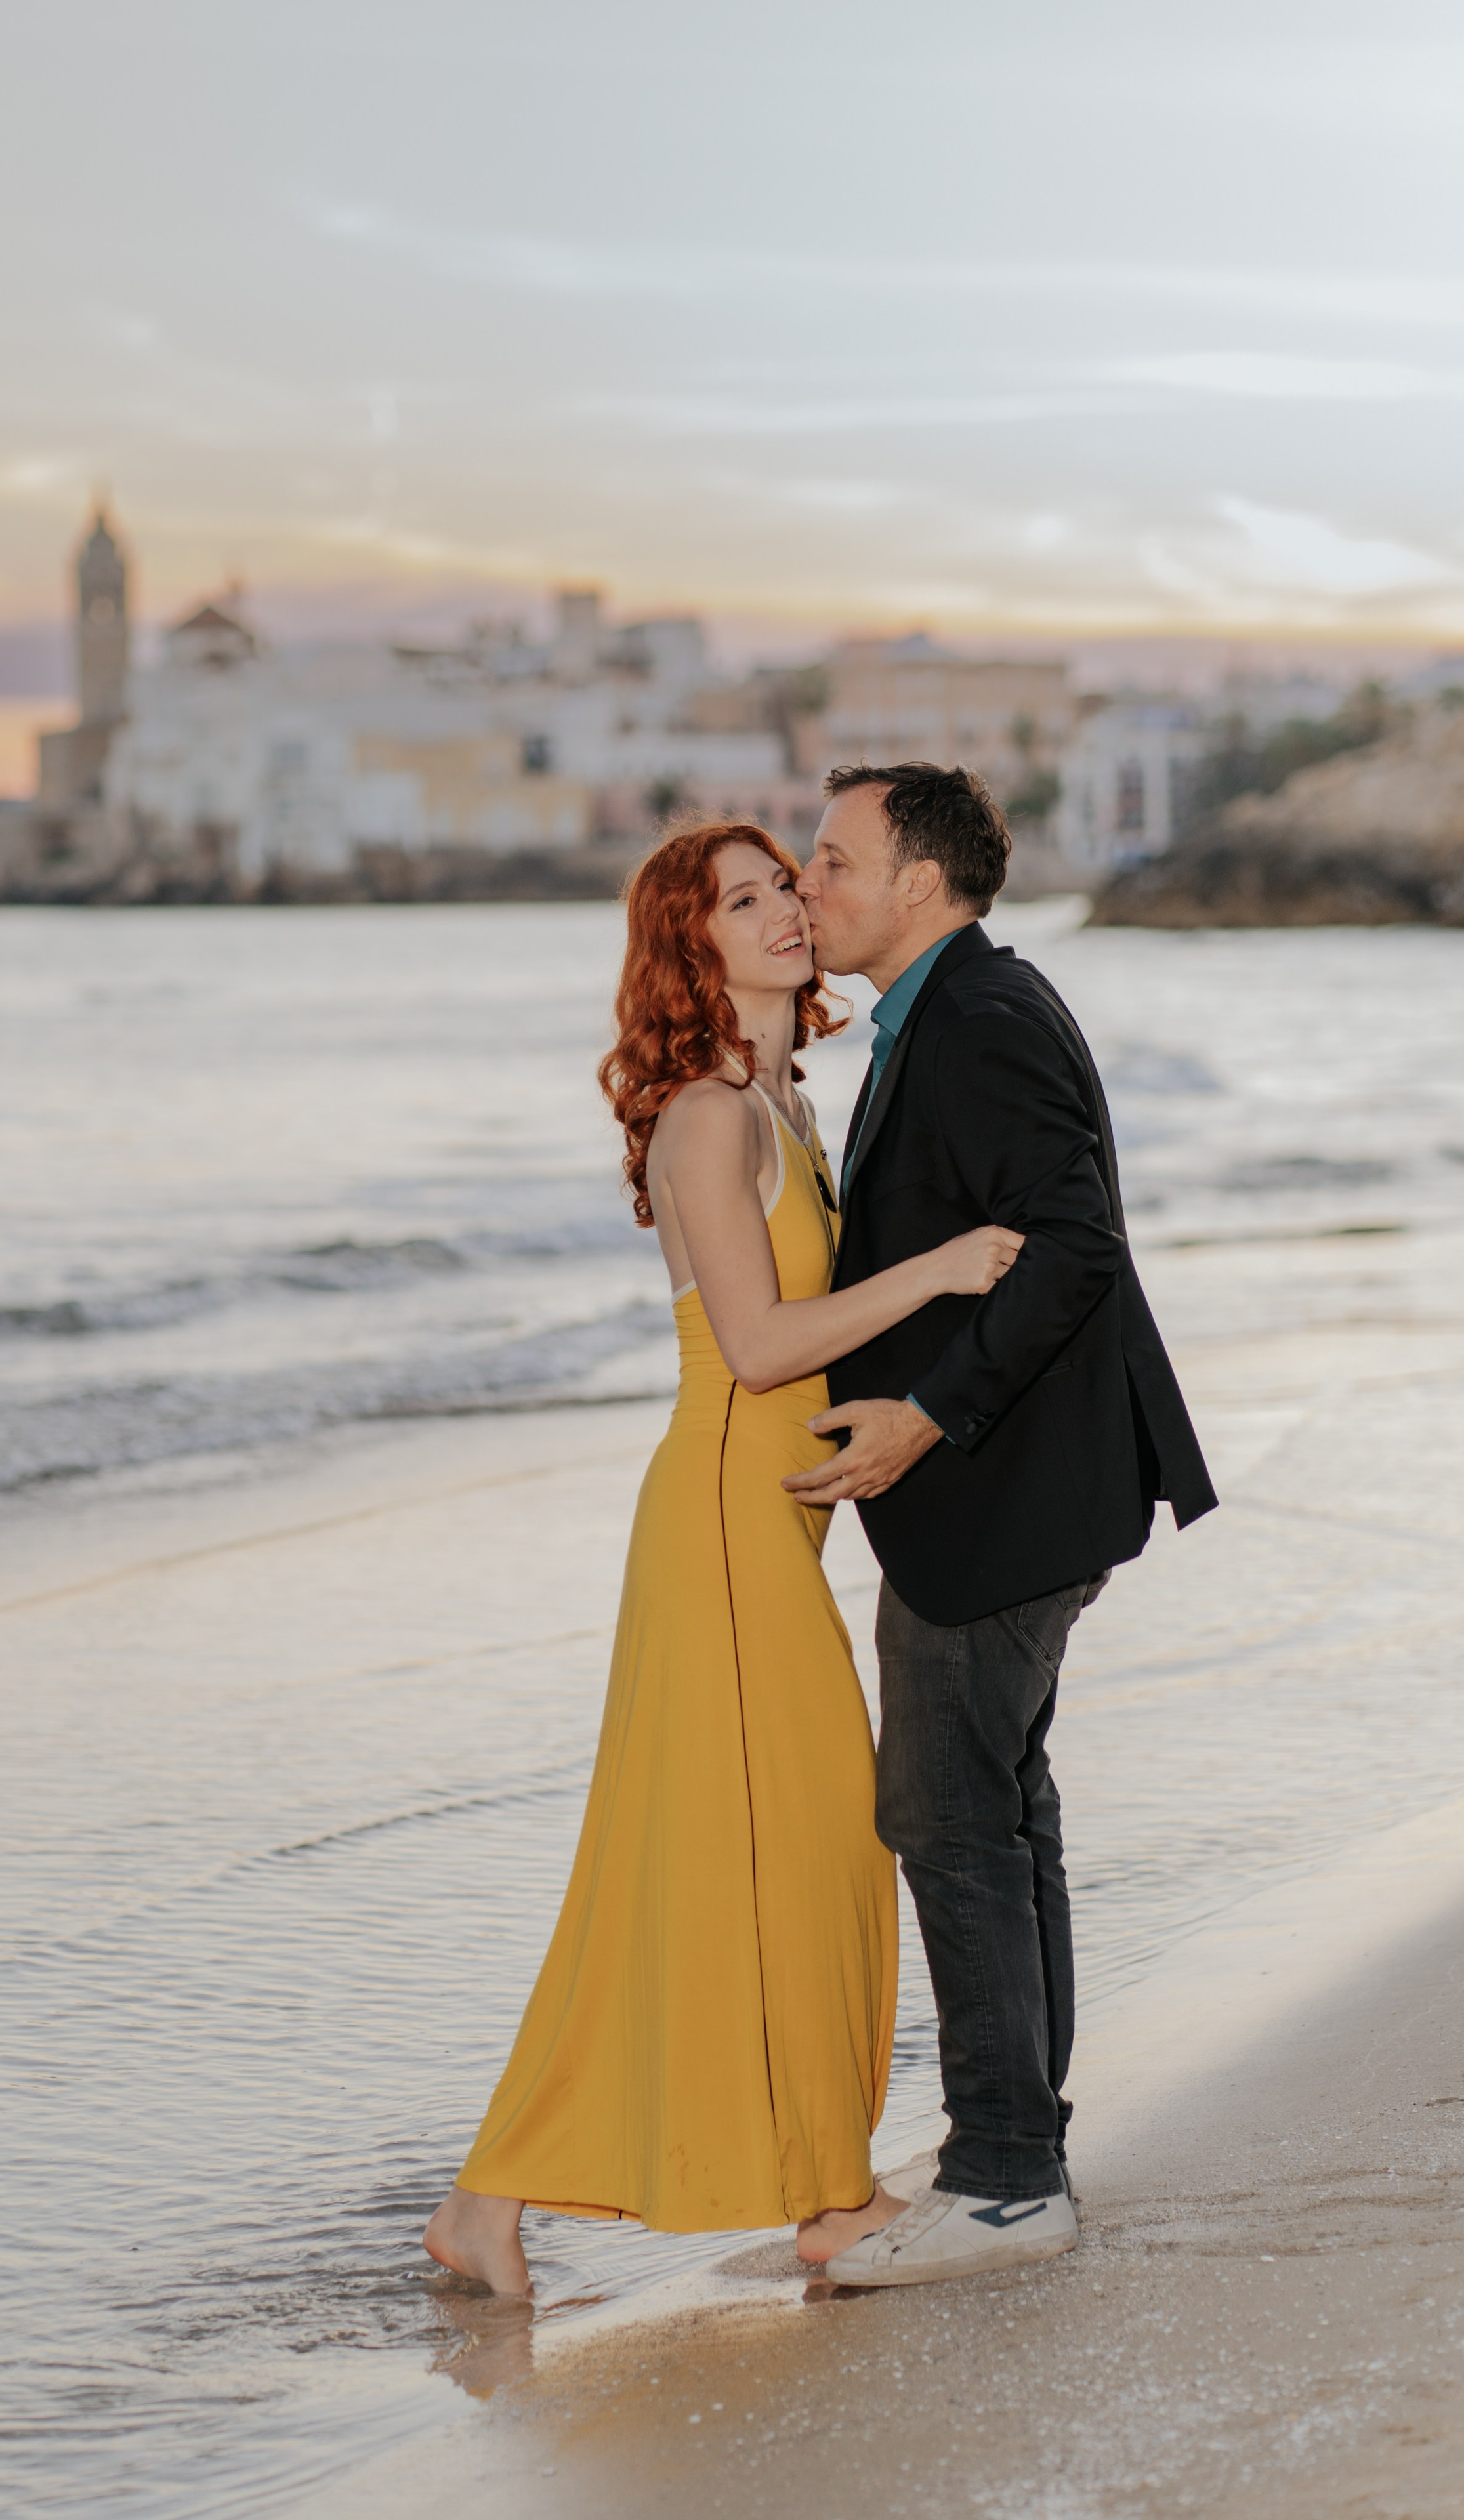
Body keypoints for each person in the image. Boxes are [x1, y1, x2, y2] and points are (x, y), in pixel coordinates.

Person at [422, 821, 1024, 2296]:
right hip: (716, 1534)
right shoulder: (708, 1117)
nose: (782, 913)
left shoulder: (789, 1106)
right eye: (740, 901)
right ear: (688, 947)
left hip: (769, 1532)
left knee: (756, 1854)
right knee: (760, 1851)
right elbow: (755, 1352)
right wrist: (941, 1268)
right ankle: (775, 2198)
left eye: (783, 888)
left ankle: (572, 2197)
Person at [783, 763, 1217, 2288]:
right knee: (994, 1809)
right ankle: (1013, 2147)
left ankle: (1004, 2179)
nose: (805, 881)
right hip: (1011, 1485)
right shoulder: (945, 1011)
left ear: (918, 881)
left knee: (947, 1816)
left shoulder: (974, 1018)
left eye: (831, 858)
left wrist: (926, 1414)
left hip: (1004, 1485)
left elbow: (1074, 1243)